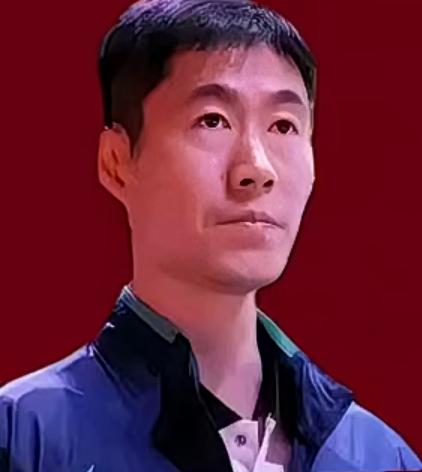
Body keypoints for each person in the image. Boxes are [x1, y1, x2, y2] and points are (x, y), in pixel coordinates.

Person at [0, 0, 421, 471]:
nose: (256, 168)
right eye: (213, 120)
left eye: (283, 125)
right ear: (116, 162)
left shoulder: (379, 457)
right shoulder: (24, 437)